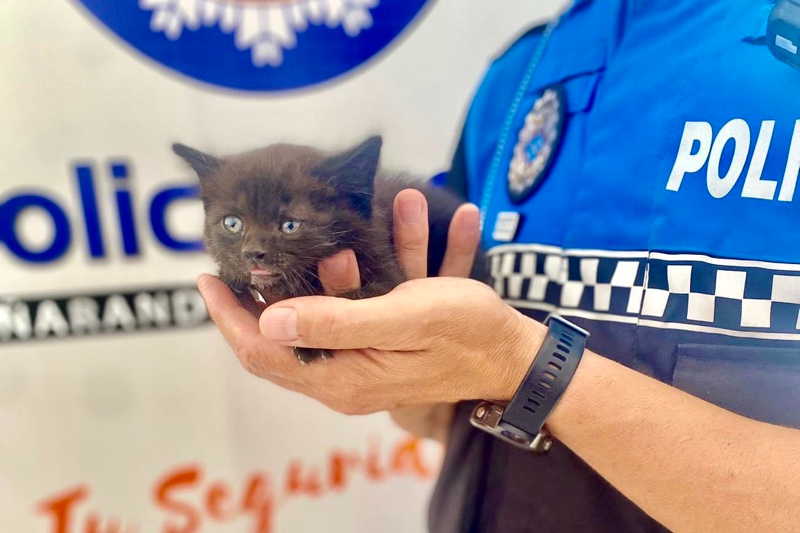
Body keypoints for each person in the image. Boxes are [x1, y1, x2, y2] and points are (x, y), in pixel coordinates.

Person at [197, 0, 800, 530]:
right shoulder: (523, 73)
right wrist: (392, 370)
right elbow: (442, 419)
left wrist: (519, 366)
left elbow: (503, 361)